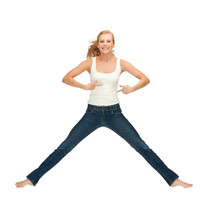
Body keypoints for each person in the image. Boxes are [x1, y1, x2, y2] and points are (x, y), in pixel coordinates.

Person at [15, 30, 192, 188]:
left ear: (113, 44)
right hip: (91, 114)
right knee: (65, 147)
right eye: (102, 41)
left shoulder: (121, 63)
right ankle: (32, 179)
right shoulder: (89, 63)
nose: (105, 44)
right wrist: (85, 86)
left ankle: (172, 179)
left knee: (141, 146)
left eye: (108, 41)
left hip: (114, 114)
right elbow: (66, 78)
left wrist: (132, 89)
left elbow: (145, 79)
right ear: (98, 45)